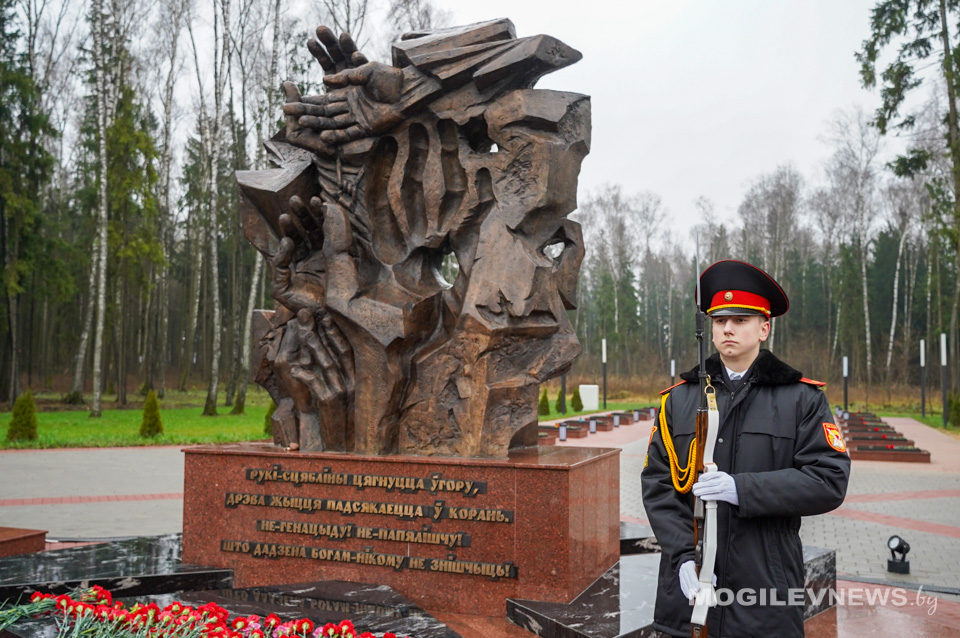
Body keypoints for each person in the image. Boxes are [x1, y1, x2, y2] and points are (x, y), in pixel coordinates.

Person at [641, 260, 851, 638]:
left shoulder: (801, 398)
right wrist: (681, 557)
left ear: (764, 328)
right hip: (689, 588)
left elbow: (829, 479)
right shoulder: (680, 400)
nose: (728, 329)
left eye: (740, 320)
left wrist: (742, 489)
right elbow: (658, 483)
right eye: (720, 320)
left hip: (765, 587)